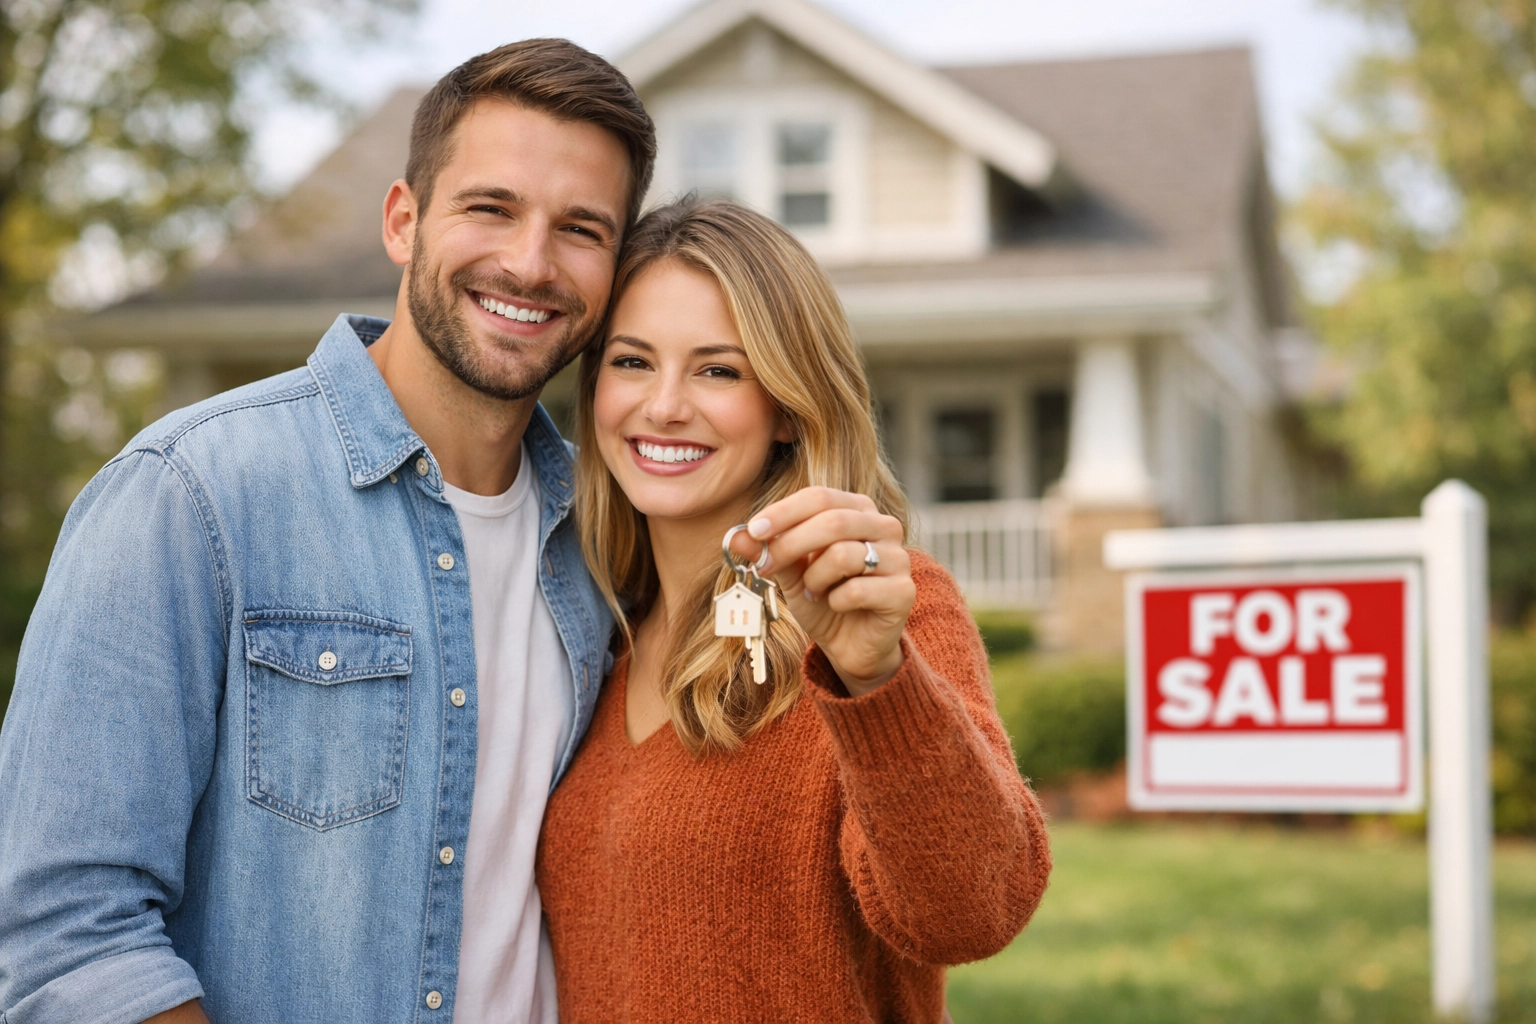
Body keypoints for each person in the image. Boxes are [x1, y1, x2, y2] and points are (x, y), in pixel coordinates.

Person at [0, 40, 653, 1024]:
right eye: (491, 207)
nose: (529, 261)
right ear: (403, 220)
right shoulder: (194, 494)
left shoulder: (603, 544)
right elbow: (62, 937)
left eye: (581, 229)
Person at [536, 198, 1052, 1023]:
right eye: (632, 362)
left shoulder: (886, 615)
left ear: (785, 404)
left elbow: (971, 913)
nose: (664, 406)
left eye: (718, 370)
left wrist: (877, 677)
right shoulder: (592, 634)